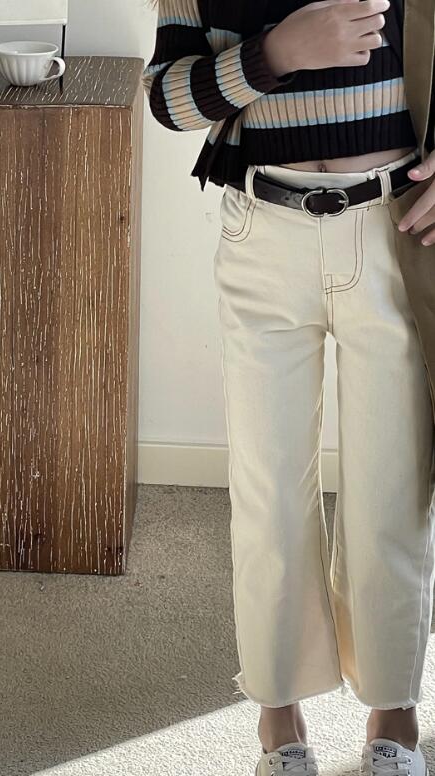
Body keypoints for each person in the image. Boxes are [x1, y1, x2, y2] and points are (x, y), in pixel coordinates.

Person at [143, 1, 435, 774]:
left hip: (396, 230)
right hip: (263, 235)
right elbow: (167, 97)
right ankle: (280, 722)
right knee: (267, 492)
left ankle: (395, 720)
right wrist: (275, 51)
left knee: (393, 489)